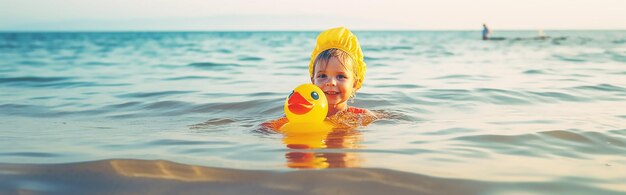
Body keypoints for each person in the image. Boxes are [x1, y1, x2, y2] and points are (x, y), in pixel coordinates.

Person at [263, 27, 377, 130]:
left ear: (355, 84)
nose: (331, 82)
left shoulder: (360, 116)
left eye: (340, 76)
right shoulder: (302, 114)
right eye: (322, 76)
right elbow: (270, 126)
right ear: (313, 81)